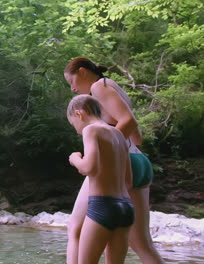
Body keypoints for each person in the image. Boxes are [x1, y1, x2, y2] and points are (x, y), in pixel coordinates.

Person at [64, 57, 164, 264]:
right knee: (142, 245)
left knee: (75, 228)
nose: (72, 89)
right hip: (138, 161)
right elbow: (137, 137)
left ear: (82, 72)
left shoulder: (99, 86)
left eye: (71, 82)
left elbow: (129, 121)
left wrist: (107, 149)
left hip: (123, 160)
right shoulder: (112, 85)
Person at [67, 94, 134, 264]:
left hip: (103, 207)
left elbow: (89, 168)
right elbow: (128, 180)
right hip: (126, 208)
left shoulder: (91, 130)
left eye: (73, 124)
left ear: (79, 114)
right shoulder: (119, 135)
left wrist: (75, 158)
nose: (76, 130)